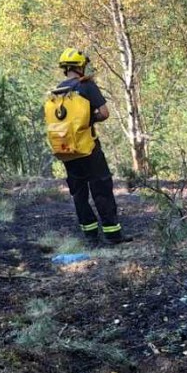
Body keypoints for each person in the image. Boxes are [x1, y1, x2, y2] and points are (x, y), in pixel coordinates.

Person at [52, 48, 126, 244]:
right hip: (88, 148)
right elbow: (104, 113)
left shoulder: (57, 91)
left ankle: (90, 236)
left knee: (79, 192)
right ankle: (112, 234)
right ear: (81, 66)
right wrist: (88, 119)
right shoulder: (87, 86)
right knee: (101, 187)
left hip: (67, 150)